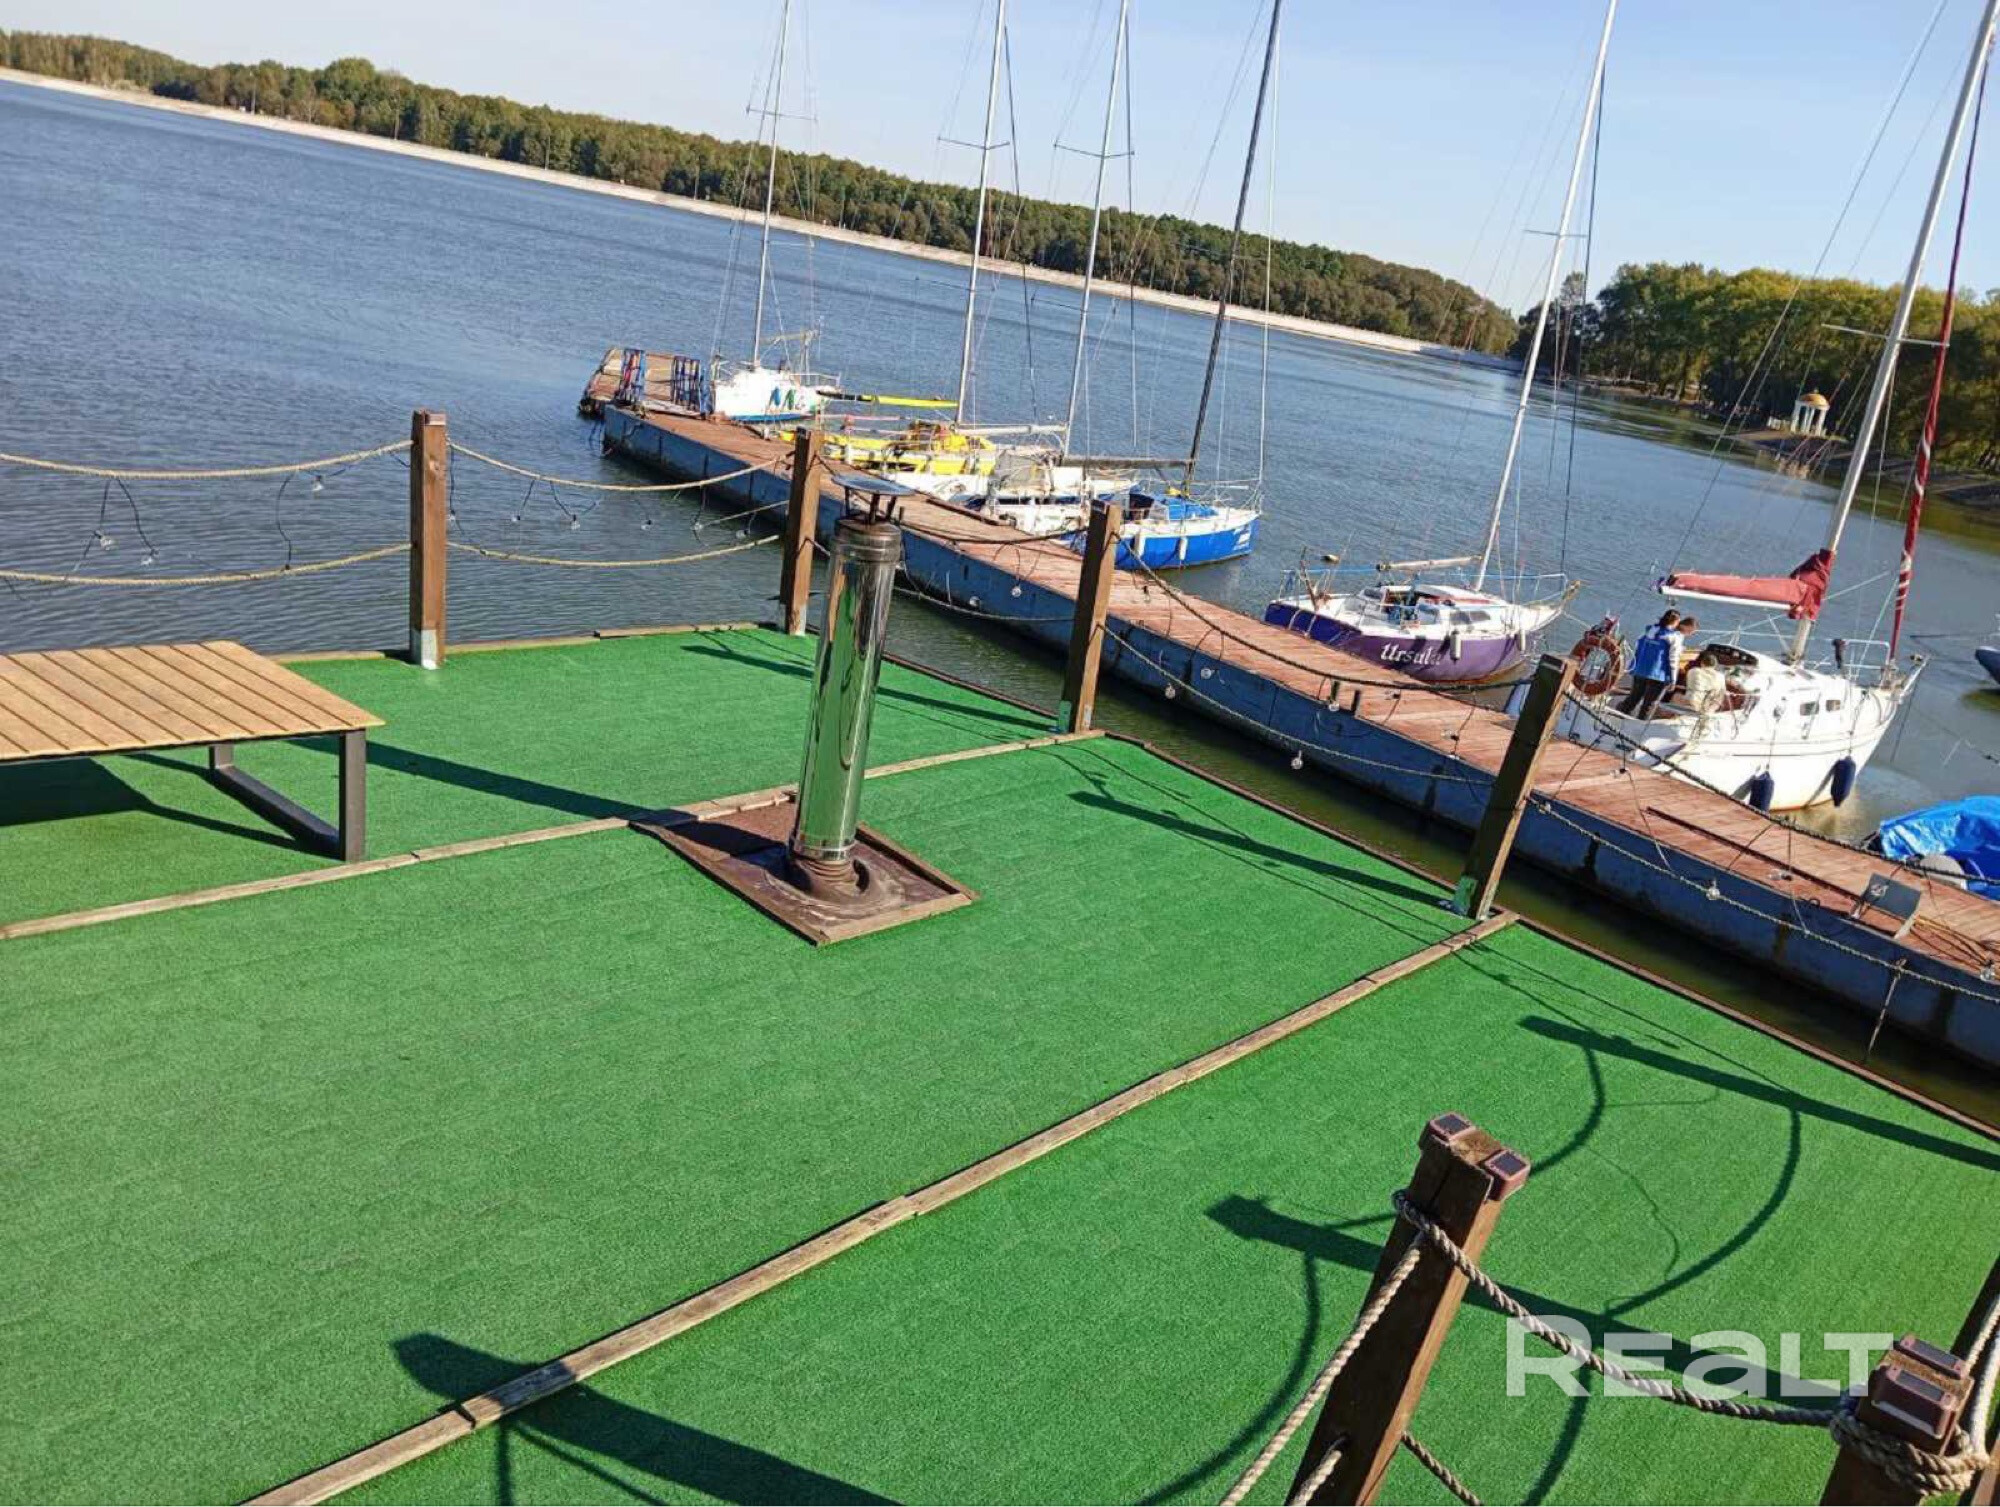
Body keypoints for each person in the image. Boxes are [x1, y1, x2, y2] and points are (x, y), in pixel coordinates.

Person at [1619, 609, 1684, 719]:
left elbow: (1638, 647)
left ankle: (1619, 718)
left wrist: (1631, 666)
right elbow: (1673, 659)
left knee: (1633, 698)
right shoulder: (1674, 637)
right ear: (1676, 621)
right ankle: (1639, 724)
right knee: (1648, 705)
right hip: (1658, 675)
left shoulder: (1649, 630)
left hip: (1640, 670)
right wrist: (1673, 679)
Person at [1683, 647, 1728, 714]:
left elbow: (1687, 684)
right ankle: (1709, 712)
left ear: (1701, 663)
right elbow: (1721, 693)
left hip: (1690, 703)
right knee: (1719, 696)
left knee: (1678, 695)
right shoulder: (1721, 676)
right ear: (1715, 666)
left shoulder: (1693, 671)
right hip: (1706, 707)